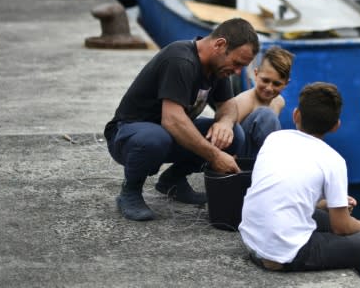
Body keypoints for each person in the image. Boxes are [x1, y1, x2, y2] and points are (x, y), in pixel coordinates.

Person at [238, 82, 360, 287]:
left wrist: (325, 205)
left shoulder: (275, 139)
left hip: (251, 241)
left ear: (296, 115)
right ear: (335, 126)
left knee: (331, 218)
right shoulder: (333, 160)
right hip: (280, 256)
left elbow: (284, 193)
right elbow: (342, 227)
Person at [104, 18, 259, 221]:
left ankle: (173, 180)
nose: (238, 72)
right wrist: (214, 156)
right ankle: (130, 191)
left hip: (167, 134)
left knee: (234, 135)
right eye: (237, 64)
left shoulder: (217, 67)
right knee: (156, 138)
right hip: (129, 134)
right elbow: (173, 120)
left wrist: (224, 123)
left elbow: (229, 105)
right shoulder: (181, 60)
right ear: (220, 45)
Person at [233, 45, 295, 158]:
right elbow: (224, 136)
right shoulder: (244, 101)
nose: (269, 88)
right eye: (265, 80)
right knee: (266, 115)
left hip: (260, 157)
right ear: (256, 74)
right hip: (238, 158)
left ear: (286, 83)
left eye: (276, 84)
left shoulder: (279, 102)